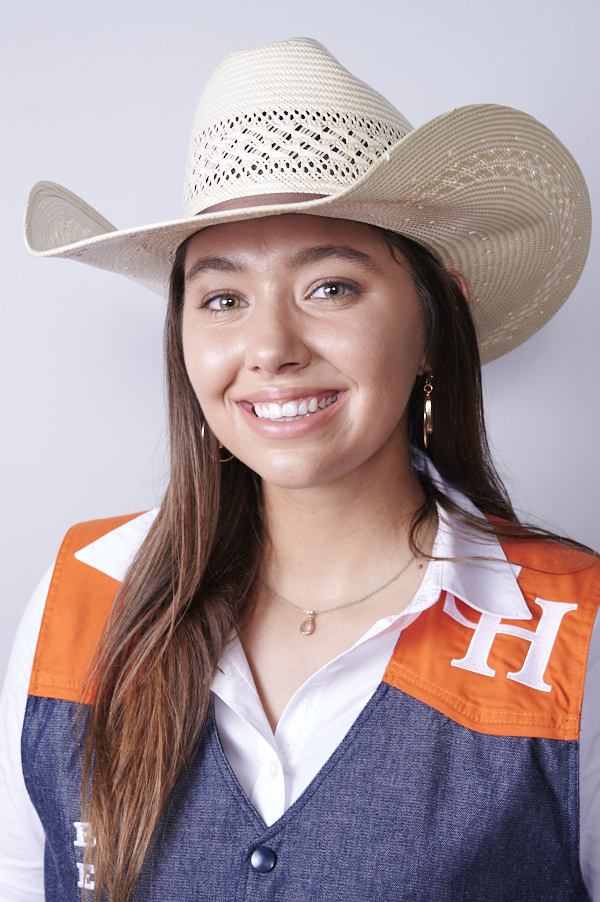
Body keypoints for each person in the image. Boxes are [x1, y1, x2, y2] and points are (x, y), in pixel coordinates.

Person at [0, 36, 598, 902]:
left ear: (436, 320)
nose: (271, 348)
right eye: (223, 299)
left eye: (331, 287)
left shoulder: (575, 635)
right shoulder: (81, 599)